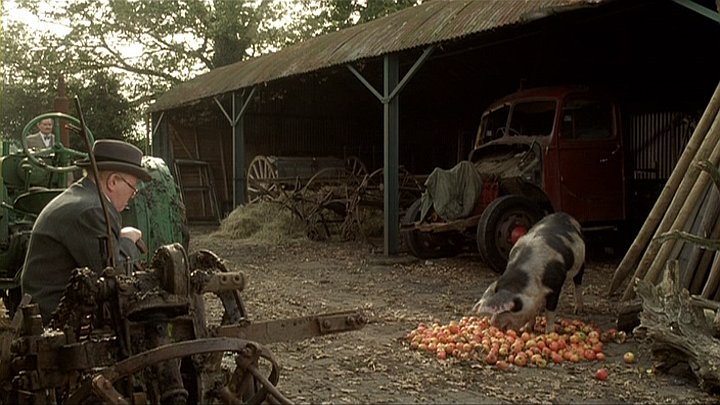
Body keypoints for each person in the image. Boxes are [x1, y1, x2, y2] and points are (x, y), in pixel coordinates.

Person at [20, 139, 152, 324]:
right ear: (113, 181)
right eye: (132, 187)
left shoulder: (82, 198)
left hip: (52, 310)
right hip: (56, 322)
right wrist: (128, 242)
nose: (133, 194)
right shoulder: (93, 210)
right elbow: (116, 278)